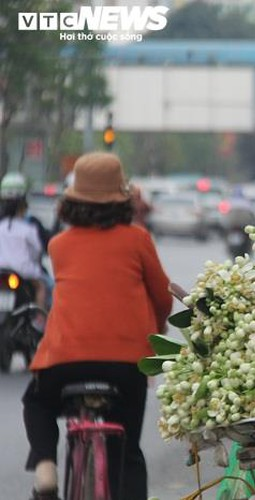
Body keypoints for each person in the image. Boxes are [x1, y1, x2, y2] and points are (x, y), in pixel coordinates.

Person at [22, 152, 173, 500]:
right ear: (123, 199)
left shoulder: (58, 245)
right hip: (126, 363)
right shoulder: (137, 239)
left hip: (63, 361)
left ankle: (45, 467)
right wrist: (158, 330)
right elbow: (162, 298)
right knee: (130, 451)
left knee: (37, 403)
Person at [0, 172, 48, 319]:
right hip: (25, 272)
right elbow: (37, 251)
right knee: (42, 287)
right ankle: (40, 321)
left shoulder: (2, 225)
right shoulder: (29, 228)